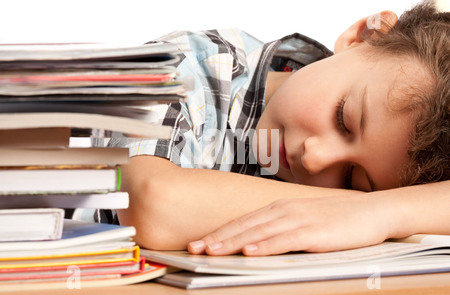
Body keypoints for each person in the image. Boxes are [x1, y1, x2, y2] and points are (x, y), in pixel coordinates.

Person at [112, 2, 449, 256]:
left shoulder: (364, 197)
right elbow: (151, 203)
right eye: (342, 118)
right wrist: (357, 205)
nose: (315, 159)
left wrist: (385, 211)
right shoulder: (192, 63)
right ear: (364, 37)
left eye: (352, 180)